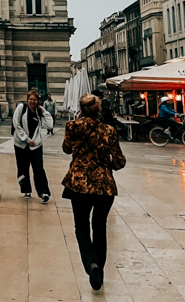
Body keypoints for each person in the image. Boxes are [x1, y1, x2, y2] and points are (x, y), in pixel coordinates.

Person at [62, 93, 126, 291]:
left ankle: (91, 265)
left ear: (81, 110)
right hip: (104, 186)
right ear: (99, 110)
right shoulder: (108, 130)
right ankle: (99, 270)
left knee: (81, 227)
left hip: (79, 185)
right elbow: (119, 161)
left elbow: (66, 149)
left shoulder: (72, 127)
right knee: (100, 228)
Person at [13, 89, 54, 202]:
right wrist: (26, 139)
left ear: (38, 101)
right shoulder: (21, 108)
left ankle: (43, 192)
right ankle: (26, 189)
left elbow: (50, 124)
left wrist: (44, 110)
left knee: (38, 168)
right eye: (30, 99)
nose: (32, 101)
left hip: (36, 145)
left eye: (35, 99)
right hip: (21, 144)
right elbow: (16, 124)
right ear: (27, 99)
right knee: (23, 167)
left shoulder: (39, 112)